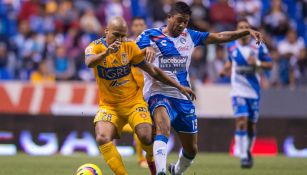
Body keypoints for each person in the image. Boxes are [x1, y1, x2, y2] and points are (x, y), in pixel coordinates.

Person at [136, 2, 265, 175]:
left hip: (183, 96)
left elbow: (219, 36)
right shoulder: (150, 35)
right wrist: (146, 48)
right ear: (169, 18)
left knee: (192, 150)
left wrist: (246, 31)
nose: (182, 25)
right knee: (163, 126)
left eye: (186, 22)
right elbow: (135, 49)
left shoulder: (190, 36)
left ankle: (177, 171)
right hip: (158, 92)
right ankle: (160, 172)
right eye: (179, 20)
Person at [84, 16, 195, 175]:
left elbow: (153, 71)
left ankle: (151, 160)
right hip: (109, 106)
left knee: (146, 137)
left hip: (134, 103)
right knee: (102, 137)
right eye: (116, 34)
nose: (120, 39)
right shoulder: (93, 47)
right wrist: (106, 53)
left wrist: (179, 86)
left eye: (123, 35)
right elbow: (89, 62)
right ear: (106, 31)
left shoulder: (129, 46)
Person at [220, 19, 272, 168]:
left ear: (249, 30)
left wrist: (256, 63)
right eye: (240, 27)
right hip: (237, 90)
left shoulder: (258, 46)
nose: (243, 30)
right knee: (241, 121)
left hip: (253, 91)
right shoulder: (231, 46)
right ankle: (243, 156)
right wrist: (225, 69)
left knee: (251, 125)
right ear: (237, 30)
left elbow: (270, 64)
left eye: (246, 27)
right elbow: (231, 60)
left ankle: (247, 151)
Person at [121, 16, 149, 168]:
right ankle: (142, 159)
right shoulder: (127, 45)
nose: (138, 27)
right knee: (141, 124)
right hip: (133, 92)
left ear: (146, 26)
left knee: (149, 126)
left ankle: (115, 128)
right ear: (132, 28)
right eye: (136, 24)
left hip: (150, 90)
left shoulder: (153, 44)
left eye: (141, 24)